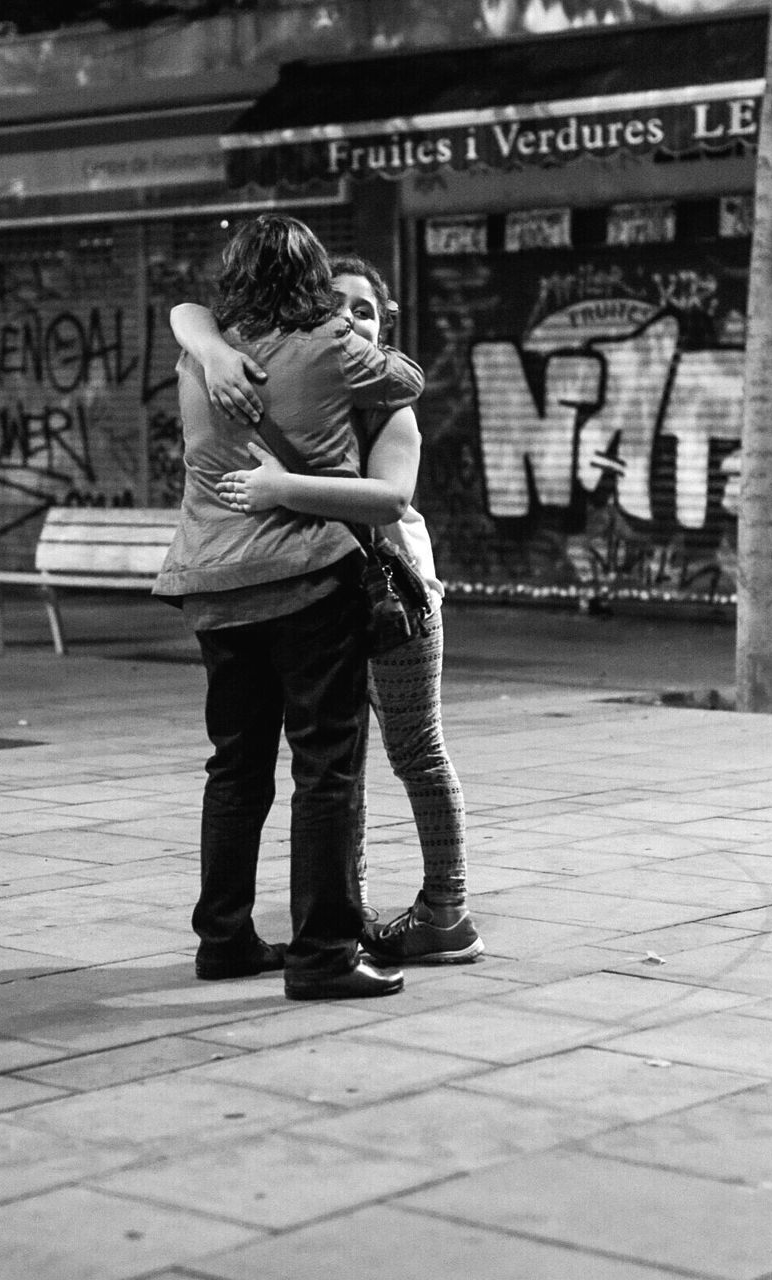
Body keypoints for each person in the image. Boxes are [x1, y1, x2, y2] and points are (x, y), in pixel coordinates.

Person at [174, 254, 483, 966]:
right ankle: (350, 911)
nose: (349, 317)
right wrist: (213, 346)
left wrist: (283, 488)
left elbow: (390, 500)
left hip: (389, 601)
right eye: (334, 305)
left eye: (365, 309)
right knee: (340, 770)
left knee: (415, 753)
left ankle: (447, 909)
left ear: (385, 323)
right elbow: (187, 314)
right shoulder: (307, 383)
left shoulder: (386, 405)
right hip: (316, 599)